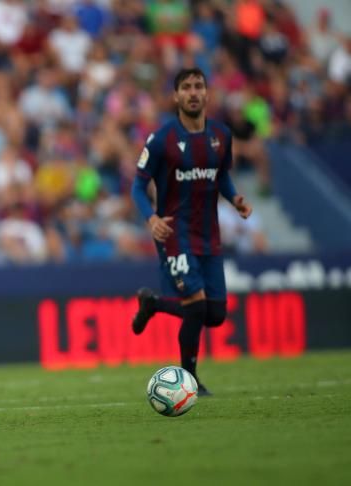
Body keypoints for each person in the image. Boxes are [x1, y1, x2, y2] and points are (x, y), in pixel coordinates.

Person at [130, 67, 253, 396]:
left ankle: (153, 303)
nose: (194, 92)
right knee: (195, 305)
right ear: (176, 96)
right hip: (173, 233)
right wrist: (150, 219)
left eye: (199, 86)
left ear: (207, 94)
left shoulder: (221, 135)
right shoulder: (162, 140)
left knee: (214, 314)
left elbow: (221, 176)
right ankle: (190, 380)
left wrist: (235, 198)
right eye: (186, 87)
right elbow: (138, 187)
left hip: (209, 235)